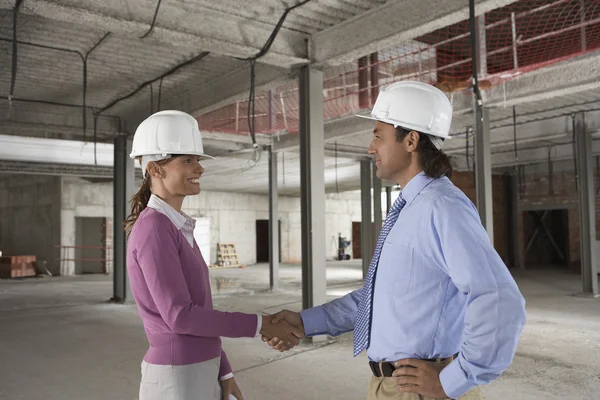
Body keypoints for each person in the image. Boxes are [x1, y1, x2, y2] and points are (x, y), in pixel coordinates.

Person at [265, 81, 527, 400]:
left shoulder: (441, 207)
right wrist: (305, 322)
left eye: (378, 135)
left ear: (411, 140)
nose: (370, 147)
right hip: (389, 386)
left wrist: (455, 380)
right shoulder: (408, 209)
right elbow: (379, 298)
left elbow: (498, 299)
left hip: (422, 390)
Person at [125, 110, 304, 400]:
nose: (200, 168)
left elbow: (201, 313)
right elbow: (180, 317)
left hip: (197, 370)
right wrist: (262, 325)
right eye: (187, 160)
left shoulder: (175, 225)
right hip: (176, 377)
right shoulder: (154, 227)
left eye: (197, 160)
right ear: (155, 169)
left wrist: (224, 372)